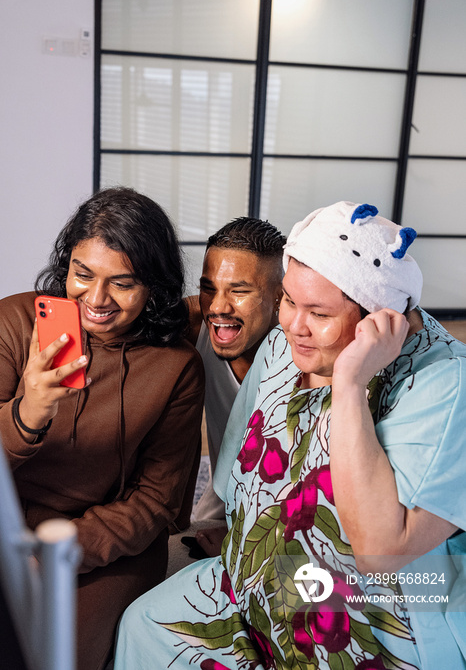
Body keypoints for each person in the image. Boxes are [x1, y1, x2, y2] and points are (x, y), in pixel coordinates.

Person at [114, 200, 466, 670]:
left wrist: (350, 383)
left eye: (318, 313)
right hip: (257, 580)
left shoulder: (446, 384)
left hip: (365, 615)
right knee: (144, 627)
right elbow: (240, 469)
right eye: (288, 300)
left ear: (379, 319)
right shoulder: (285, 343)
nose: (292, 327)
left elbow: (383, 551)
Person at [0, 187, 204, 670]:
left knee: (53, 652)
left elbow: (156, 500)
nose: (96, 299)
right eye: (82, 274)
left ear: (154, 284)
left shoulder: (176, 366)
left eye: (123, 283)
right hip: (7, 523)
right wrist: (27, 414)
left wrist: (60, 551)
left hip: (105, 542)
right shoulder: (13, 322)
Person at [179, 218, 285, 557]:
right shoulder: (196, 321)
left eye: (239, 291)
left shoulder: (304, 349)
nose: (218, 306)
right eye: (209, 287)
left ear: (281, 298)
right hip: (220, 495)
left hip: (286, 506)